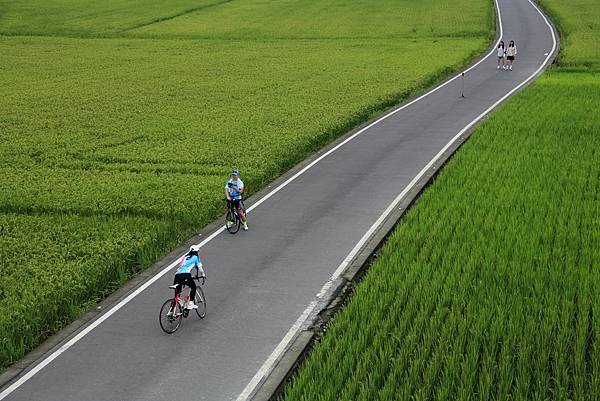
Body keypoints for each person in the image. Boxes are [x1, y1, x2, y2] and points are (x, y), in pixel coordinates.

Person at [173, 245, 205, 310]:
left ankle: (173, 309)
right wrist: (203, 274)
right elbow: (200, 268)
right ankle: (191, 303)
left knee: (177, 293)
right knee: (193, 287)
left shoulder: (185, 257)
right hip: (185, 275)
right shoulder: (196, 257)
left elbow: (180, 267)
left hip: (177, 276)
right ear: (196, 252)